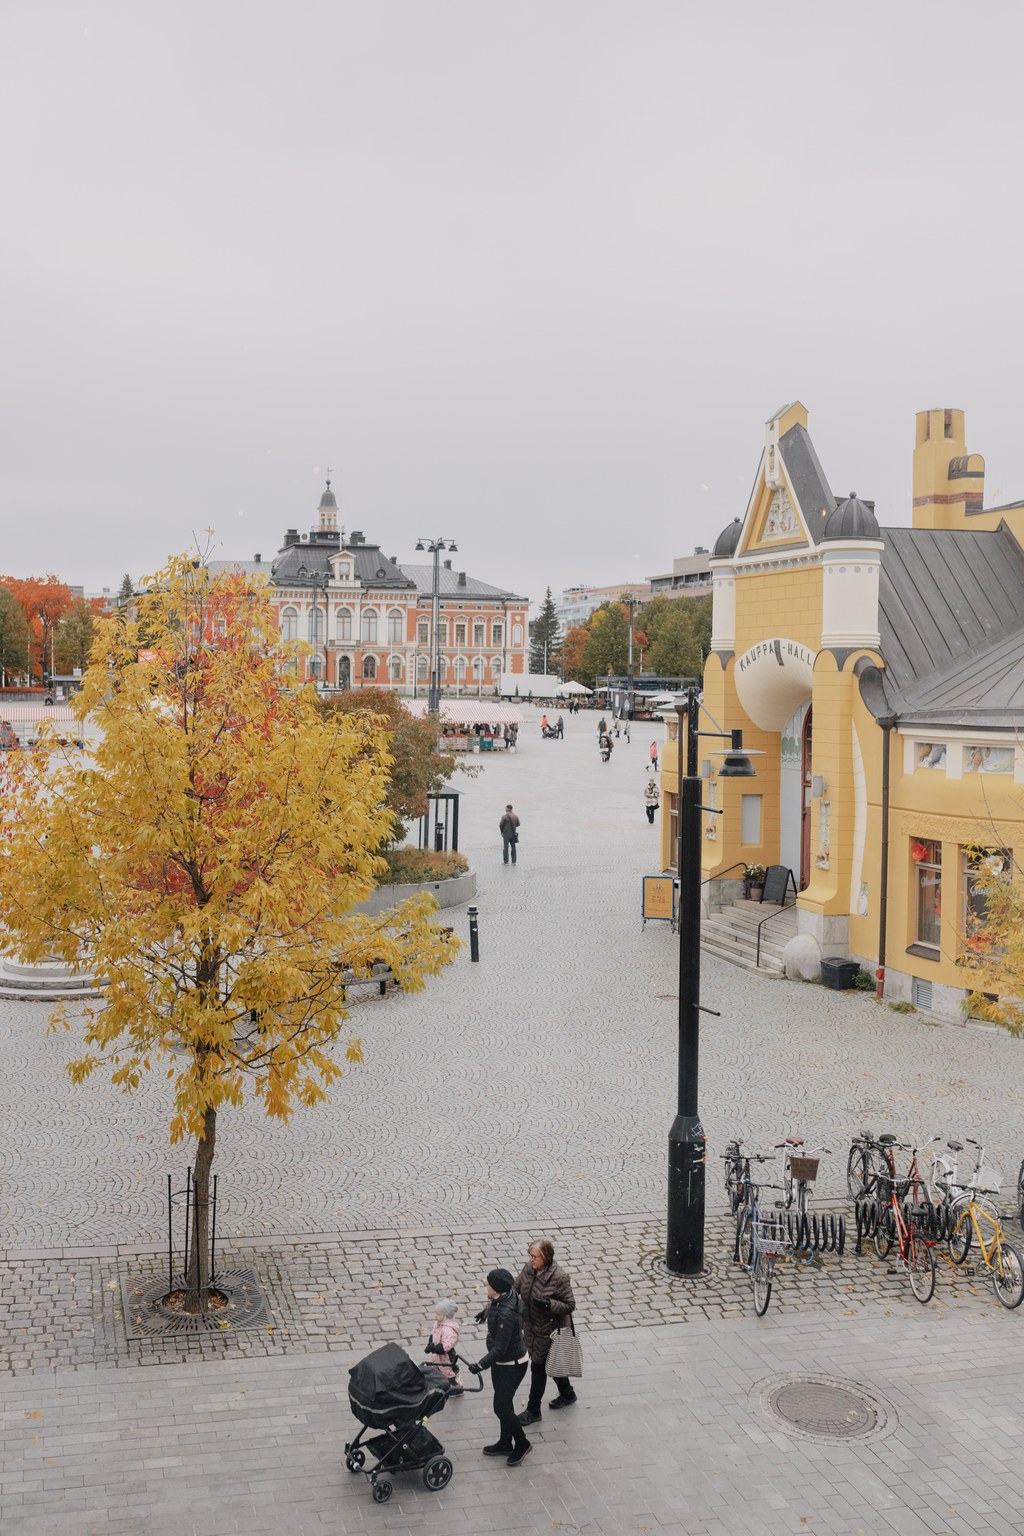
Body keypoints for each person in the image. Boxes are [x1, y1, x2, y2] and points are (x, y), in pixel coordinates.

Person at [467, 1267, 531, 1466]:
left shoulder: (506, 1313)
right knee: (505, 1403)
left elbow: (500, 1349)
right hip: (503, 1363)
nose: (486, 1285)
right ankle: (505, 1442)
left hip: (512, 1364)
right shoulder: (506, 1296)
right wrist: (487, 1312)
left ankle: (522, 1443)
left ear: (496, 1288)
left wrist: (480, 1365)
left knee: (501, 1407)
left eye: (488, 1283)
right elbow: (497, 1304)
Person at [516, 1238, 577, 1424]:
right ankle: (567, 1393)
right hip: (531, 1327)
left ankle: (534, 1409)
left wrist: (549, 1304)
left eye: (535, 1257)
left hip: (549, 1331)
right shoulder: (528, 1269)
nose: (531, 1260)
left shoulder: (559, 1277)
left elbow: (570, 1305)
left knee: (538, 1367)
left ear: (546, 1257)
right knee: (551, 1363)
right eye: (530, 1256)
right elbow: (515, 1287)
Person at [423, 1297, 463, 1391]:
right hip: (437, 1354)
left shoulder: (448, 1330)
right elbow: (434, 1335)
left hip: (447, 1356)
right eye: (436, 1313)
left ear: (446, 1316)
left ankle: (457, 1387)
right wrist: (430, 1344)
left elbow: (445, 1347)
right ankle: (440, 1383)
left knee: (449, 1371)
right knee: (436, 1367)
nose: (435, 1316)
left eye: (439, 1314)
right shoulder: (438, 1323)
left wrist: (433, 1348)